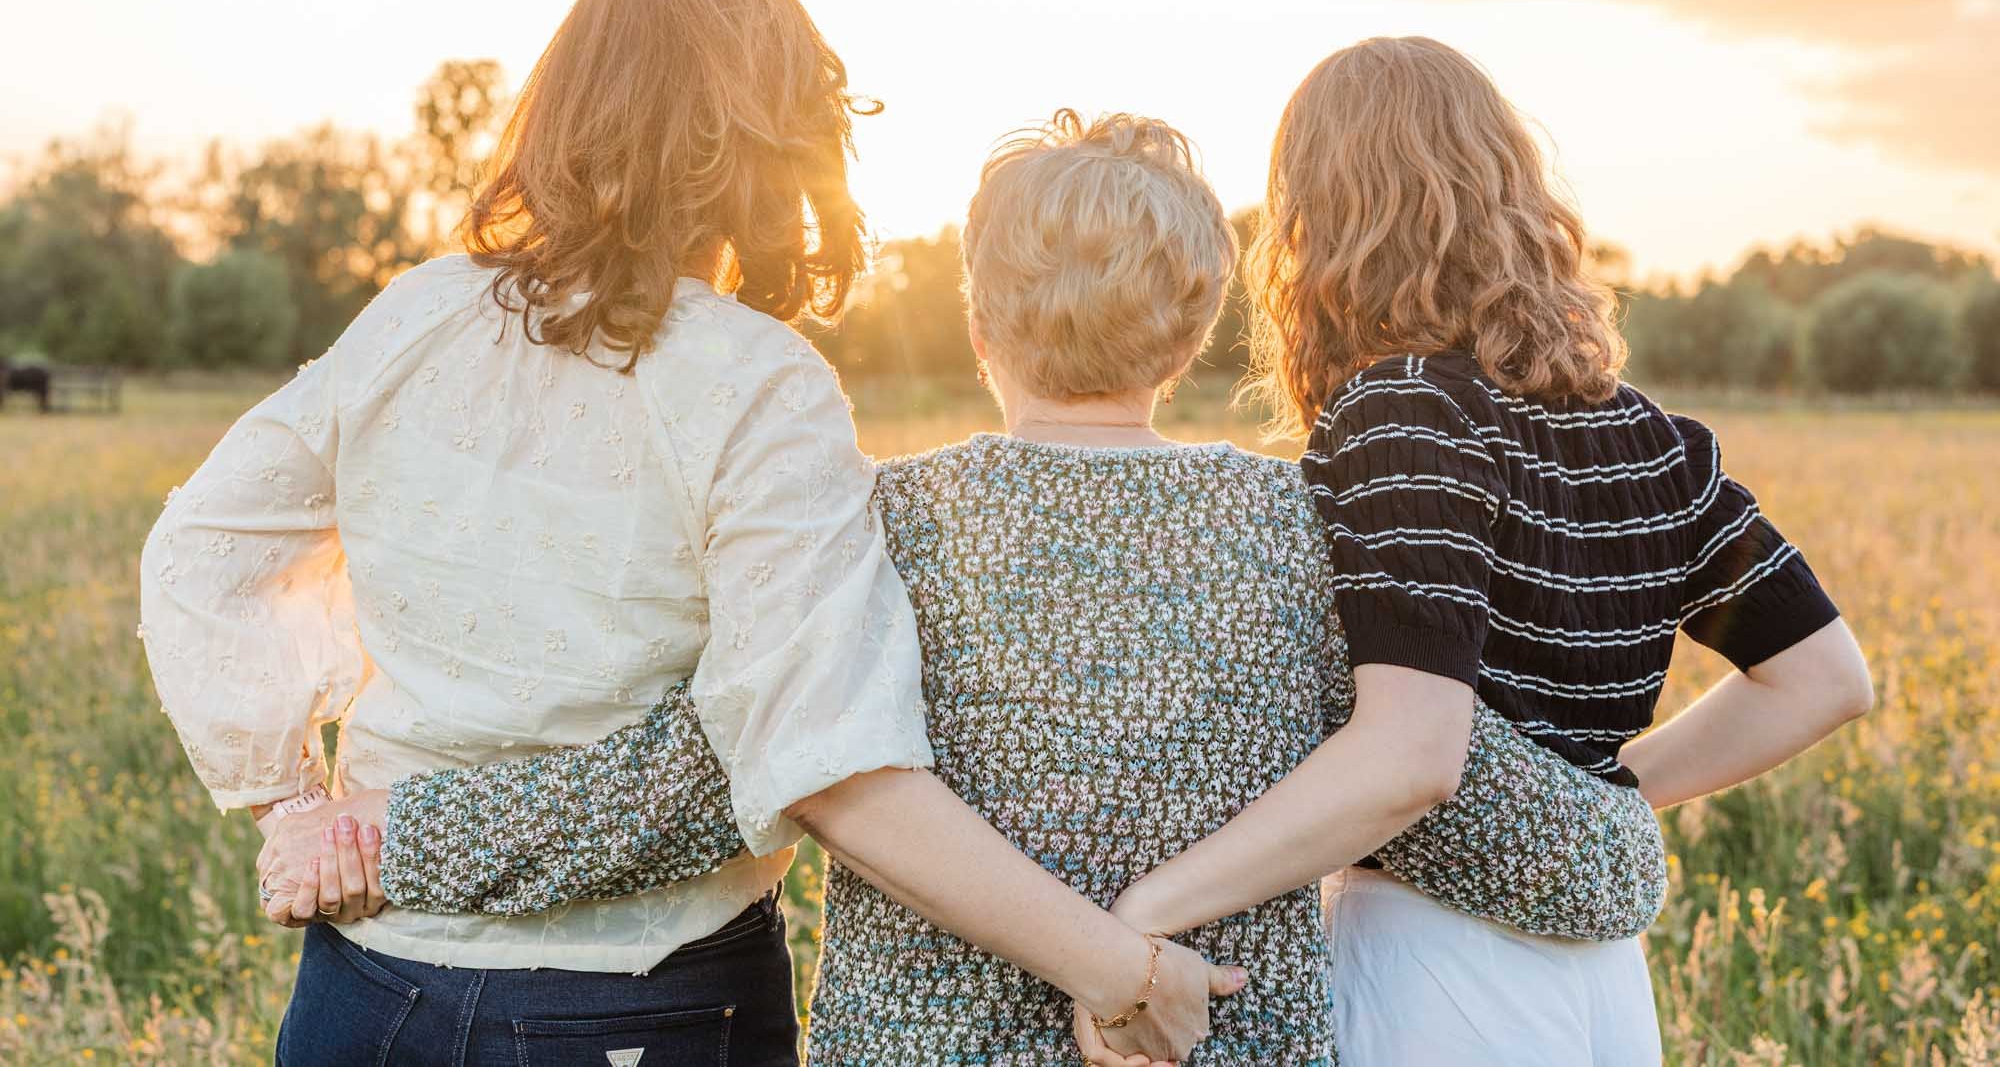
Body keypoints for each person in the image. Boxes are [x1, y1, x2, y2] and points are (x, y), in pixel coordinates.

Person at [305, 111, 1672, 1065]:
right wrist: (1622, 847)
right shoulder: (1293, 526)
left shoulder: (879, 526)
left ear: (978, 322)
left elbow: (697, 771)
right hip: (1224, 1034)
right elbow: (1448, 784)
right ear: (1194, 330)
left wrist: (391, 840)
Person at [138, 0, 1229, 1066]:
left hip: (365, 990)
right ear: (777, 138)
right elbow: (824, 754)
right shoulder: (757, 378)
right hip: (634, 1006)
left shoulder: (418, 312)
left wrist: (299, 817)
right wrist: (1122, 970)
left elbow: (199, 554)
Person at [1117, 34, 1873, 1063]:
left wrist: (1140, 917)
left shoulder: (1402, 411)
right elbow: (1820, 677)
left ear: (1319, 219)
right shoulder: (1647, 435)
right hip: (1605, 977)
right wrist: (1594, 797)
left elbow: (1409, 755)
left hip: (1433, 959)